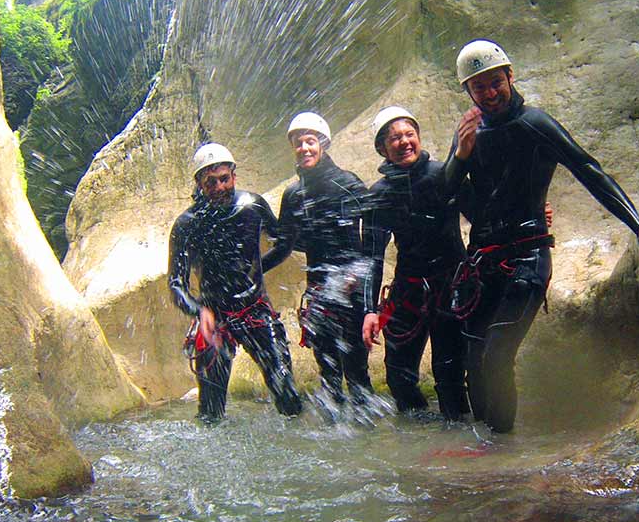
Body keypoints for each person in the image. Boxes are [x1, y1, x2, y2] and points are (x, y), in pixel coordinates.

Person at [445, 39, 639, 432]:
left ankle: (500, 443)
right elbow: (448, 195)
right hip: (484, 261)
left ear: (510, 76)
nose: (490, 93)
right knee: (473, 355)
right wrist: (460, 155)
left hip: (526, 256)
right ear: (468, 92)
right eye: (480, 87)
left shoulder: (535, 124)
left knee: (496, 355)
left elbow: (588, 170)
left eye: (496, 82)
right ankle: (483, 448)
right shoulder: (468, 135)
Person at [168, 142, 303, 423]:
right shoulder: (186, 224)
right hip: (214, 318)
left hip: (254, 310)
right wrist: (199, 311)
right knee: (210, 412)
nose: (218, 187)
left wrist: (256, 269)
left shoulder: (251, 205)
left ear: (234, 176)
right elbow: (176, 283)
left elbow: (283, 243)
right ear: (199, 184)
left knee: (287, 392)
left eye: (224, 179)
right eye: (210, 182)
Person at [361, 106, 470, 421]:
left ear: (419, 139)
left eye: (410, 135)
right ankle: (417, 448)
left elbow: (483, 214)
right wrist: (370, 309)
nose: (404, 142)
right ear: (383, 148)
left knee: (449, 376)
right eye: (395, 138)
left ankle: (460, 446)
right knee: (398, 376)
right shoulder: (379, 195)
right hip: (408, 291)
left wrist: (534, 214)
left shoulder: (444, 174)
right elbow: (372, 255)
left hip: (452, 286)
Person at [263, 112, 374, 406]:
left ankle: (368, 440)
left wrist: (361, 281)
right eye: (298, 143)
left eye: (310, 141)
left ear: (322, 144)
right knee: (329, 375)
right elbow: (284, 246)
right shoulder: (294, 194)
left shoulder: (347, 184)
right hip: (319, 296)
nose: (304, 148)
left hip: (350, 295)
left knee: (357, 373)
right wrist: (253, 271)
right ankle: (336, 440)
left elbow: (374, 236)